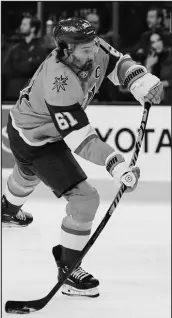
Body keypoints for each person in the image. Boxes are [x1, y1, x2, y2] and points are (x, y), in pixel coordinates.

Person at [2, 17, 163, 297]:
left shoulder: (93, 46)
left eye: (93, 45)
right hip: (36, 139)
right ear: (64, 49)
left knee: (27, 174)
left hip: (23, 127)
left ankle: (6, 209)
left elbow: (116, 63)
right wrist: (115, 163)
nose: (93, 52)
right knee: (85, 199)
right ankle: (68, 267)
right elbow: (83, 141)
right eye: (85, 50)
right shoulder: (58, 82)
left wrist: (138, 78)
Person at [2, 13, 46, 100]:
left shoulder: (41, 48)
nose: (21, 27)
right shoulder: (14, 48)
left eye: (24, 24)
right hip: (12, 94)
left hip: (32, 96)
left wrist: (18, 65)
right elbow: (5, 69)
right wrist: (29, 64)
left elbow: (40, 71)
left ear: (33, 28)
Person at [144, 31, 172, 104]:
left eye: (159, 40)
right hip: (157, 100)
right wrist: (148, 66)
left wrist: (163, 83)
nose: (157, 44)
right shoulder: (150, 59)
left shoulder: (170, 55)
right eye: (153, 42)